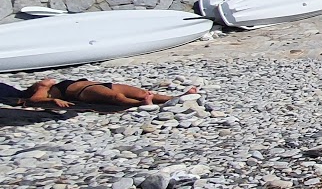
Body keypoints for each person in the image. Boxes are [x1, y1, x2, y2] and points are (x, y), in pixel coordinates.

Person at [6, 78, 198, 110]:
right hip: (81, 92)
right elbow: (34, 101)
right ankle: (140, 104)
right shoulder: (42, 87)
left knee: (142, 91)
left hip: (99, 83)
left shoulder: (48, 84)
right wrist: (54, 98)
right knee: (115, 98)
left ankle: (177, 98)